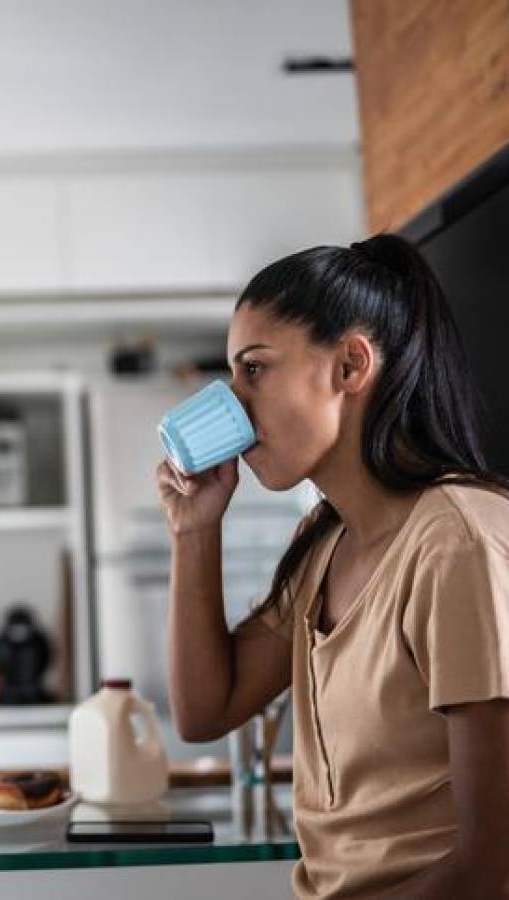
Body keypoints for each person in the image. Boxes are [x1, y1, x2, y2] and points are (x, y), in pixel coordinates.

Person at [158, 234, 509, 898]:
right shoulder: (325, 544)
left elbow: (492, 869)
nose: (234, 404)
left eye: (254, 370)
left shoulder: (456, 545)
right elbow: (207, 710)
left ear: (350, 365)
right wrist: (194, 531)